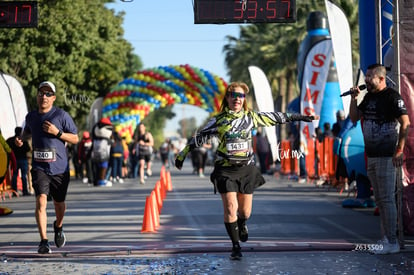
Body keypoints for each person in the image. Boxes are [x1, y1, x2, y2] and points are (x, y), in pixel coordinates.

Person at [174, 82, 317, 260]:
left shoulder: (251, 117)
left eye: (240, 96)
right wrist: (182, 154)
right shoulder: (218, 120)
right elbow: (199, 137)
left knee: (245, 212)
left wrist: (301, 117)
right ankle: (235, 247)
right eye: (233, 95)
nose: (237, 99)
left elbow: (276, 117)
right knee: (230, 208)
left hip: (246, 169)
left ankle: (242, 224)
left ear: (244, 99)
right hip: (225, 170)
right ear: (227, 97)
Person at [349, 64, 410, 254]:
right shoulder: (368, 98)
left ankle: (392, 241)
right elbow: (354, 117)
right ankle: (387, 238)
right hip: (372, 155)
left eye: (370, 76)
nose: (366, 79)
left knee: (387, 199)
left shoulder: (392, 97)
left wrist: (399, 150)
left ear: (381, 79)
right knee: (381, 201)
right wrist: (354, 98)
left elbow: (405, 122)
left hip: (386, 155)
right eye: (366, 76)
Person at [15, 81, 79, 254]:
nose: (44, 96)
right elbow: (27, 132)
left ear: (54, 98)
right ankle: (43, 241)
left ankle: (58, 226)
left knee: (59, 204)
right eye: (41, 93)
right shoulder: (31, 117)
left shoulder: (61, 115)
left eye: (48, 94)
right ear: (37, 96)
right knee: (41, 200)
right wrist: (21, 139)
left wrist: (57, 133)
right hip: (39, 167)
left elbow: (75, 138)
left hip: (60, 168)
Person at [7, 127, 31, 196]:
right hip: (23, 159)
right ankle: (25, 191)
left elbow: (7, 148)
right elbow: (28, 148)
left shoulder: (10, 140)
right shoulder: (23, 140)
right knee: (24, 176)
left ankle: (15, 192)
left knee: (14, 175)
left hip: (14, 160)